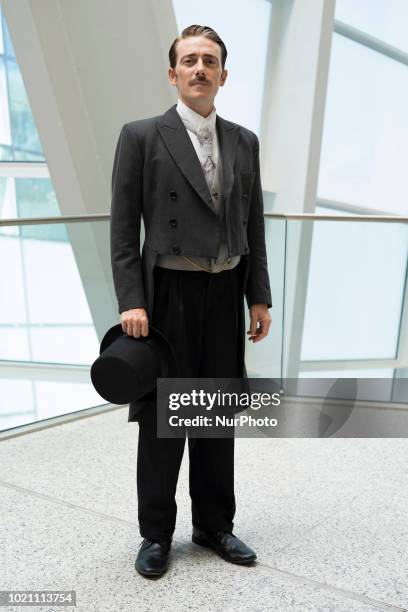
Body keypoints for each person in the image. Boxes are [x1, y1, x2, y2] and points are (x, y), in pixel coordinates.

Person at [110, 24, 272, 578]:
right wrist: (132, 299)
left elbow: (254, 225)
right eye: (189, 60)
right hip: (167, 296)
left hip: (226, 290)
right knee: (164, 420)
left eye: (210, 61)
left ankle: (214, 525)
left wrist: (259, 296)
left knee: (215, 417)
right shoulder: (141, 136)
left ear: (223, 75)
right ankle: (156, 533)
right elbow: (122, 229)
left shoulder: (244, 141)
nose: (199, 68)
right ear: (173, 72)